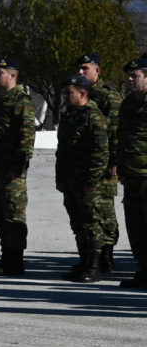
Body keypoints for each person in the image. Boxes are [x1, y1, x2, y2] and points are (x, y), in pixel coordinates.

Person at [0, 58, 38, 277]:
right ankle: (6, 257)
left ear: (12, 75)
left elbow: (26, 137)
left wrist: (18, 166)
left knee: (14, 215)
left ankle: (15, 261)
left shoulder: (21, 101)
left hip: (11, 170)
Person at [57, 75, 111, 283]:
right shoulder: (69, 115)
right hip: (71, 181)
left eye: (68, 93)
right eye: (64, 93)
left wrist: (92, 181)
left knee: (91, 225)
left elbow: (101, 152)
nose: (64, 96)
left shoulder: (93, 117)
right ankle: (84, 262)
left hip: (87, 183)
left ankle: (94, 266)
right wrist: (60, 177)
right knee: (77, 225)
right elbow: (62, 151)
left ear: (82, 93)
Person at [75, 53, 122, 274]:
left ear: (98, 71)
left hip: (104, 165)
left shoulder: (108, 97)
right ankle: (90, 257)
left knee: (104, 210)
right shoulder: (79, 94)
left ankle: (106, 256)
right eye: (79, 69)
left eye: (85, 68)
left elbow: (114, 132)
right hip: (84, 163)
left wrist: (113, 160)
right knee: (87, 212)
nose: (80, 72)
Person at [117, 58, 147, 288]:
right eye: (128, 76)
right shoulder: (128, 104)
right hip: (131, 175)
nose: (129, 80)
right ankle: (143, 269)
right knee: (136, 225)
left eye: (134, 76)